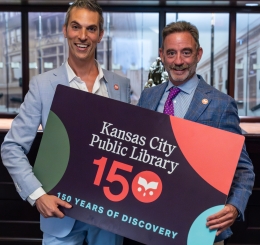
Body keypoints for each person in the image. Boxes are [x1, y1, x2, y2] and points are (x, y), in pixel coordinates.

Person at [1, 0, 130, 244]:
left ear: (100, 34)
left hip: (109, 216)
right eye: (76, 27)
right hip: (60, 214)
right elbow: (11, 147)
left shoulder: (119, 85)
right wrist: (38, 195)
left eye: (91, 29)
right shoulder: (43, 85)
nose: (83, 36)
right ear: (65, 30)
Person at [137, 20, 255, 244]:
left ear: (198, 54)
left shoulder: (221, 104)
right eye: (171, 53)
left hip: (201, 228)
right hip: (151, 223)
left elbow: (243, 169)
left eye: (186, 53)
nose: (178, 61)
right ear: (161, 55)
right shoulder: (148, 97)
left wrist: (234, 206)